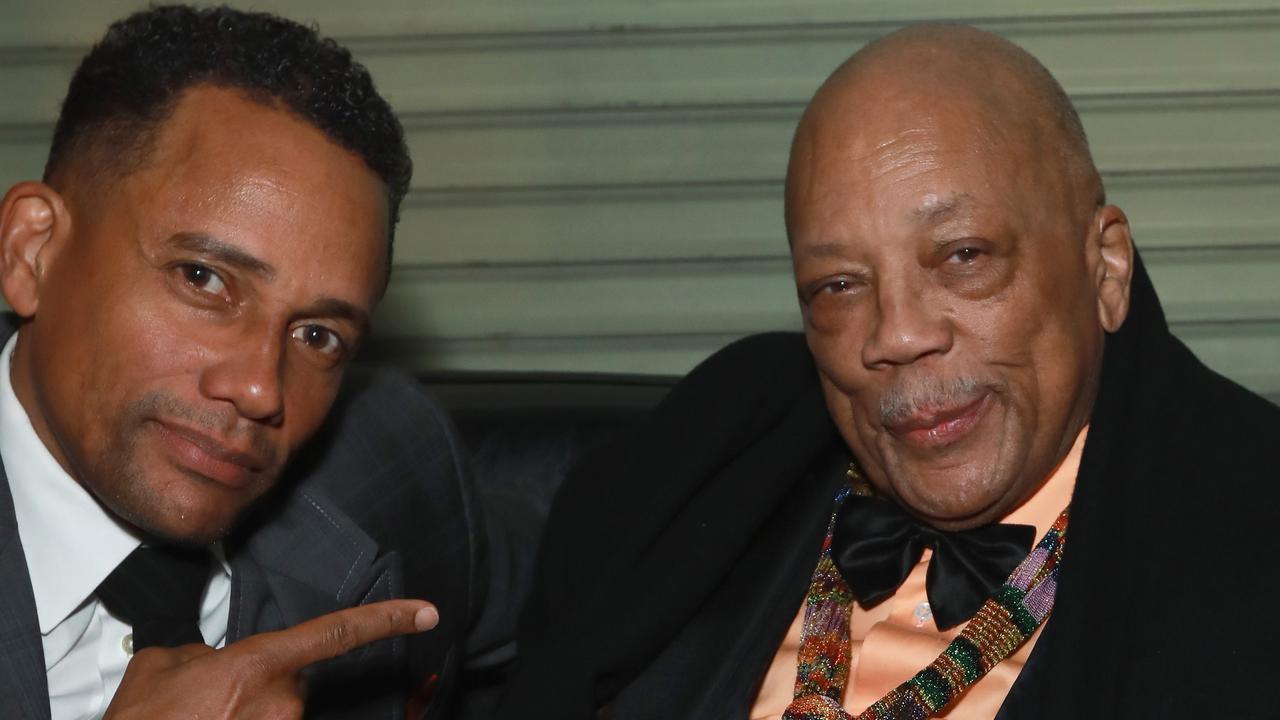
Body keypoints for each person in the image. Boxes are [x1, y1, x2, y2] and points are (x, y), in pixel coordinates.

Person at [497, 24, 1280, 719]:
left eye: (964, 256)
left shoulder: (1245, 534)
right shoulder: (706, 459)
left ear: (1104, 268)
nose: (897, 335)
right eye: (840, 286)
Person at [0, 6, 481, 719]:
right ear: (31, 252)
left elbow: (598, 569)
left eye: (318, 336)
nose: (260, 387)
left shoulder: (386, 463)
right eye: (203, 279)